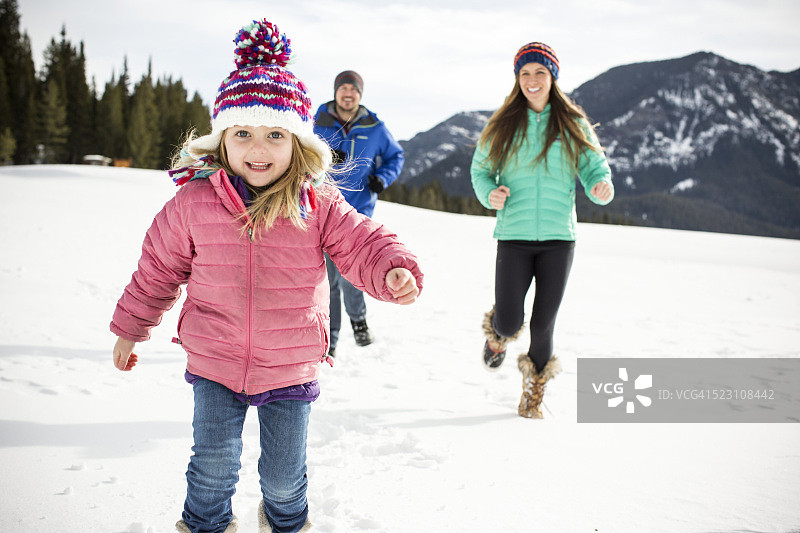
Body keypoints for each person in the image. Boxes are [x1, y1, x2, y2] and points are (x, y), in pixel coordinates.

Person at [109, 20, 423, 533]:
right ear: (222, 140)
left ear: (298, 142)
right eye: (243, 134)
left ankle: (285, 522)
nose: (259, 148)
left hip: (291, 363)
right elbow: (157, 270)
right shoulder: (194, 203)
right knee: (212, 468)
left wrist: (392, 269)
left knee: (283, 477)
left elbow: (361, 241)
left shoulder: (316, 202)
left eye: (275, 134)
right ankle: (205, 526)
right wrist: (130, 326)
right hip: (215, 359)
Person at [470, 42, 614, 419]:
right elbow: (480, 170)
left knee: (543, 322)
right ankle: (497, 337)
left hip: (559, 240)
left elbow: (594, 167)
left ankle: (533, 395)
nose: (532, 80)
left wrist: (601, 185)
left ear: (553, 78)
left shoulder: (572, 124)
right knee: (509, 320)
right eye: (525, 73)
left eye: (540, 73)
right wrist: (489, 192)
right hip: (514, 235)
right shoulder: (503, 124)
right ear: (517, 79)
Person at [313, 70, 405, 356]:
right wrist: (324, 159)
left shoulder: (375, 126)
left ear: (360, 95)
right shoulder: (316, 123)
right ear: (335, 91)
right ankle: (332, 338)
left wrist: (383, 178)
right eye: (344, 88)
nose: (348, 93)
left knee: (354, 271)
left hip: (360, 211)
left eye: (354, 89)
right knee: (328, 278)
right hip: (323, 209)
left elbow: (395, 155)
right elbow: (300, 153)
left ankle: (359, 321)